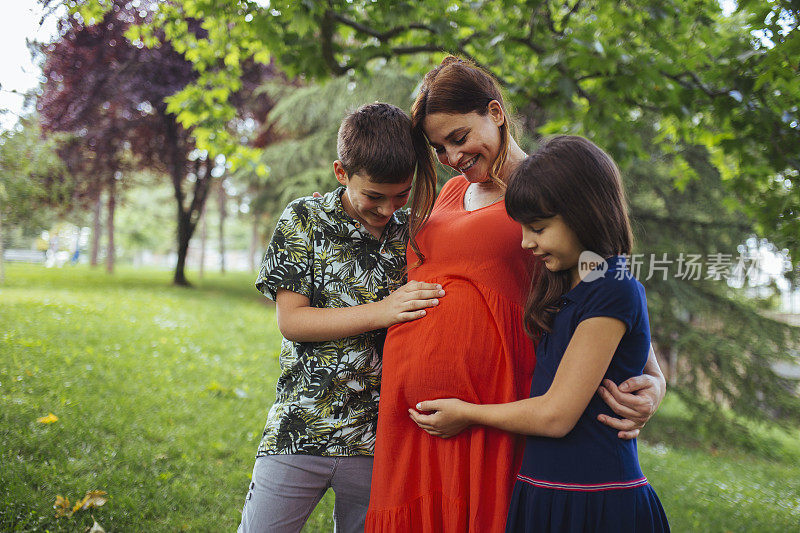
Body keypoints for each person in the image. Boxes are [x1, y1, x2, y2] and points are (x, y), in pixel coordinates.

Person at [364, 57, 666, 532]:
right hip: (419, 413)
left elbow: (608, 280)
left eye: (459, 138)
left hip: (494, 409)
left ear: (496, 112)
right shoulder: (448, 195)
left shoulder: (554, 192)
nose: (452, 158)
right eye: (439, 148)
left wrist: (655, 380)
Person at [238, 103, 444, 533]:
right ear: (341, 172)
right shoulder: (303, 219)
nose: (388, 209)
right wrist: (384, 311)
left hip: (379, 441)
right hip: (300, 426)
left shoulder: (415, 234)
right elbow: (292, 321)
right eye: (373, 195)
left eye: (400, 195)